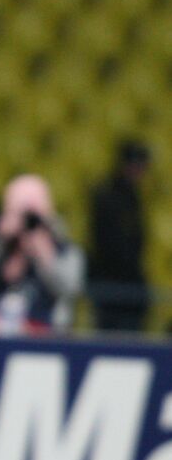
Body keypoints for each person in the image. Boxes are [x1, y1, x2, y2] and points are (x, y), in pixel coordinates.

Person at [0, 174, 85, 335]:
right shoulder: (2, 247)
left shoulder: (64, 250)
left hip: (46, 336)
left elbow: (71, 289)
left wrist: (43, 252)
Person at [88, 140, 150, 332]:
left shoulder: (133, 197)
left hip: (128, 288)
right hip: (111, 286)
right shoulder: (106, 196)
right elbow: (108, 244)